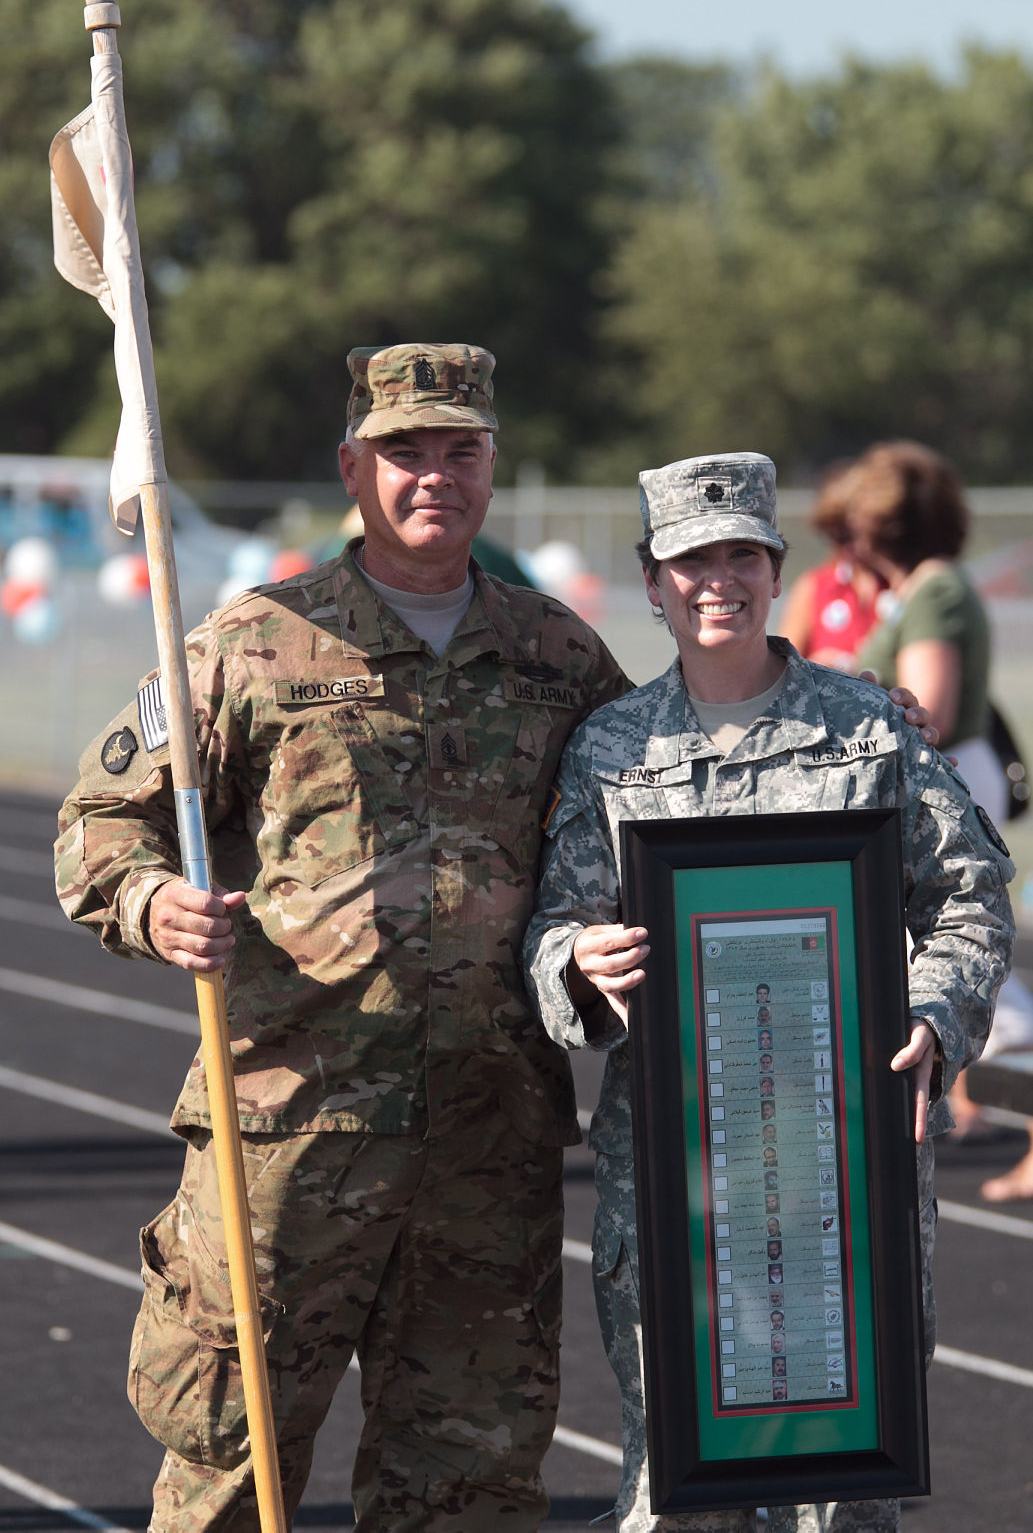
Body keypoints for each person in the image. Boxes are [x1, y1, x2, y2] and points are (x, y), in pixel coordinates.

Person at [53, 342, 632, 1532]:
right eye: (402, 451)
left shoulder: (558, 656)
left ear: (489, 464)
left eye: (458, 450)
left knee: (471, 1485)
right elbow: (100, 818)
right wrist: (150, 902)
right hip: (286, 1138)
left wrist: (820, 706)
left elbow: (661, 789)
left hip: (489, 1143)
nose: (434, 476)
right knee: (227, 1467)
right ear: (350, 467)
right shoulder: (247, 643)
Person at [523, 451, 1014, 1533]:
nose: (716, 581)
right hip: (672, 1180)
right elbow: (551, 932)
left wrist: (935, 1014)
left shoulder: (867, 727)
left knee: (839, 1498)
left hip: (842, 1173)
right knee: (678, 1494)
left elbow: (970, 900)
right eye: (689, 560)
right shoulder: (609, 749)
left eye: (739, 554)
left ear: (774, 568)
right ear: (651, 582)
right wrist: (579, 963)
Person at [843, 439, 1033, 1196]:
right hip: (942, 778)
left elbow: (932, 708)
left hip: (943, 782)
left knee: (980, 970)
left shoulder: (935, 591)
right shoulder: (923, 588)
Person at [778, 461, 889, 670]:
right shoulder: (815, 587)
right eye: (835, 534)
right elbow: (784, 669)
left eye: (851, 534)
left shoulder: (904, 585)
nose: (846, 544)